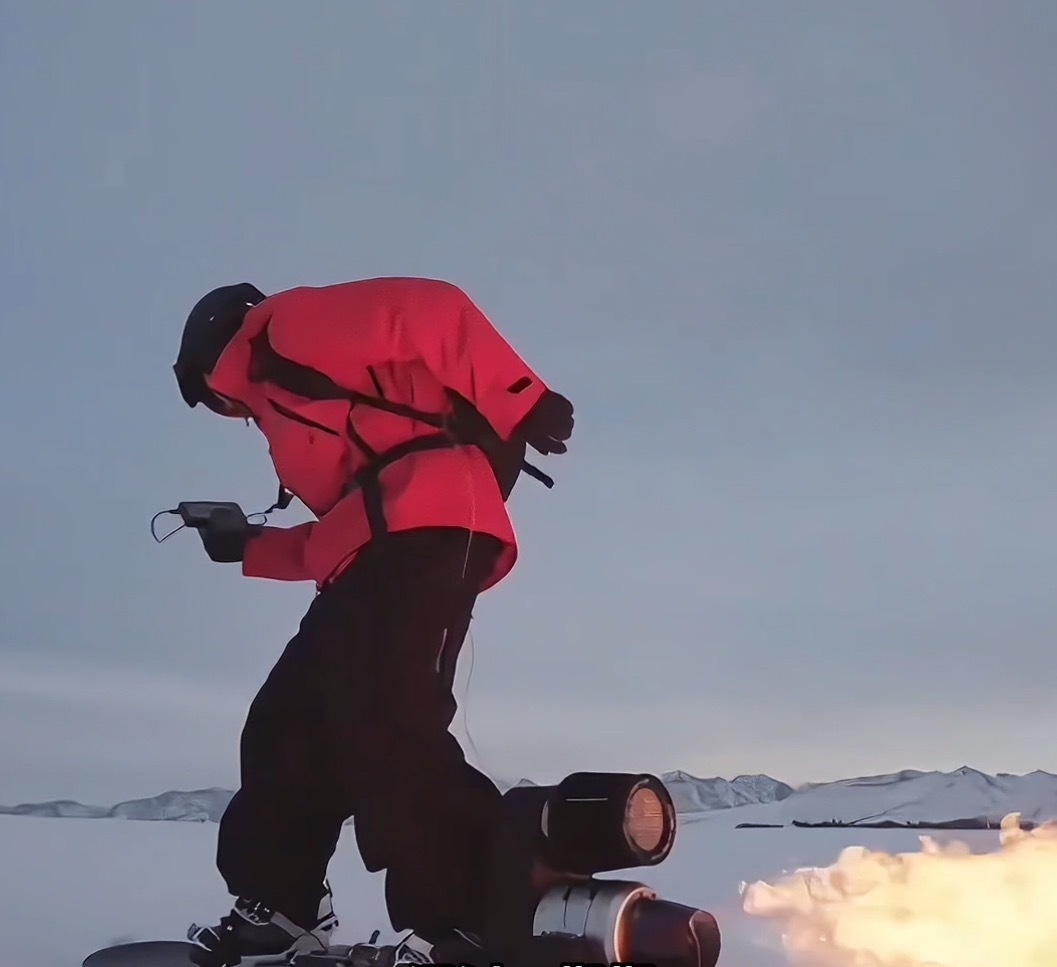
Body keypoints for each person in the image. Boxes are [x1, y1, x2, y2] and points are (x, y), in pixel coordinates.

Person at [171, 277, 574, 967]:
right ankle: (281, 906)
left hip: (429, 533)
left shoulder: (281, 330)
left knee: (383, 717)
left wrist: (520, 397)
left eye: (211, 400)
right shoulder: (286, 399)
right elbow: (346, 527)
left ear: (206, 362)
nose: (228, 413)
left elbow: (426, 310)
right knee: (289, 721)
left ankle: (471, 914)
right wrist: (248, 547)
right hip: (380, 547)